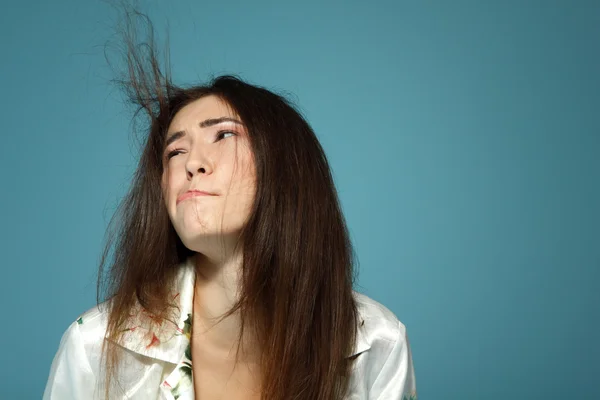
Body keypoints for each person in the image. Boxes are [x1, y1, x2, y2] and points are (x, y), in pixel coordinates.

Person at [43, 9, 417, 400]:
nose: (191, 163)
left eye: (223, 135)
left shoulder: (377, 343)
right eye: (175, 151)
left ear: (286, 165)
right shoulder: (94, 348)